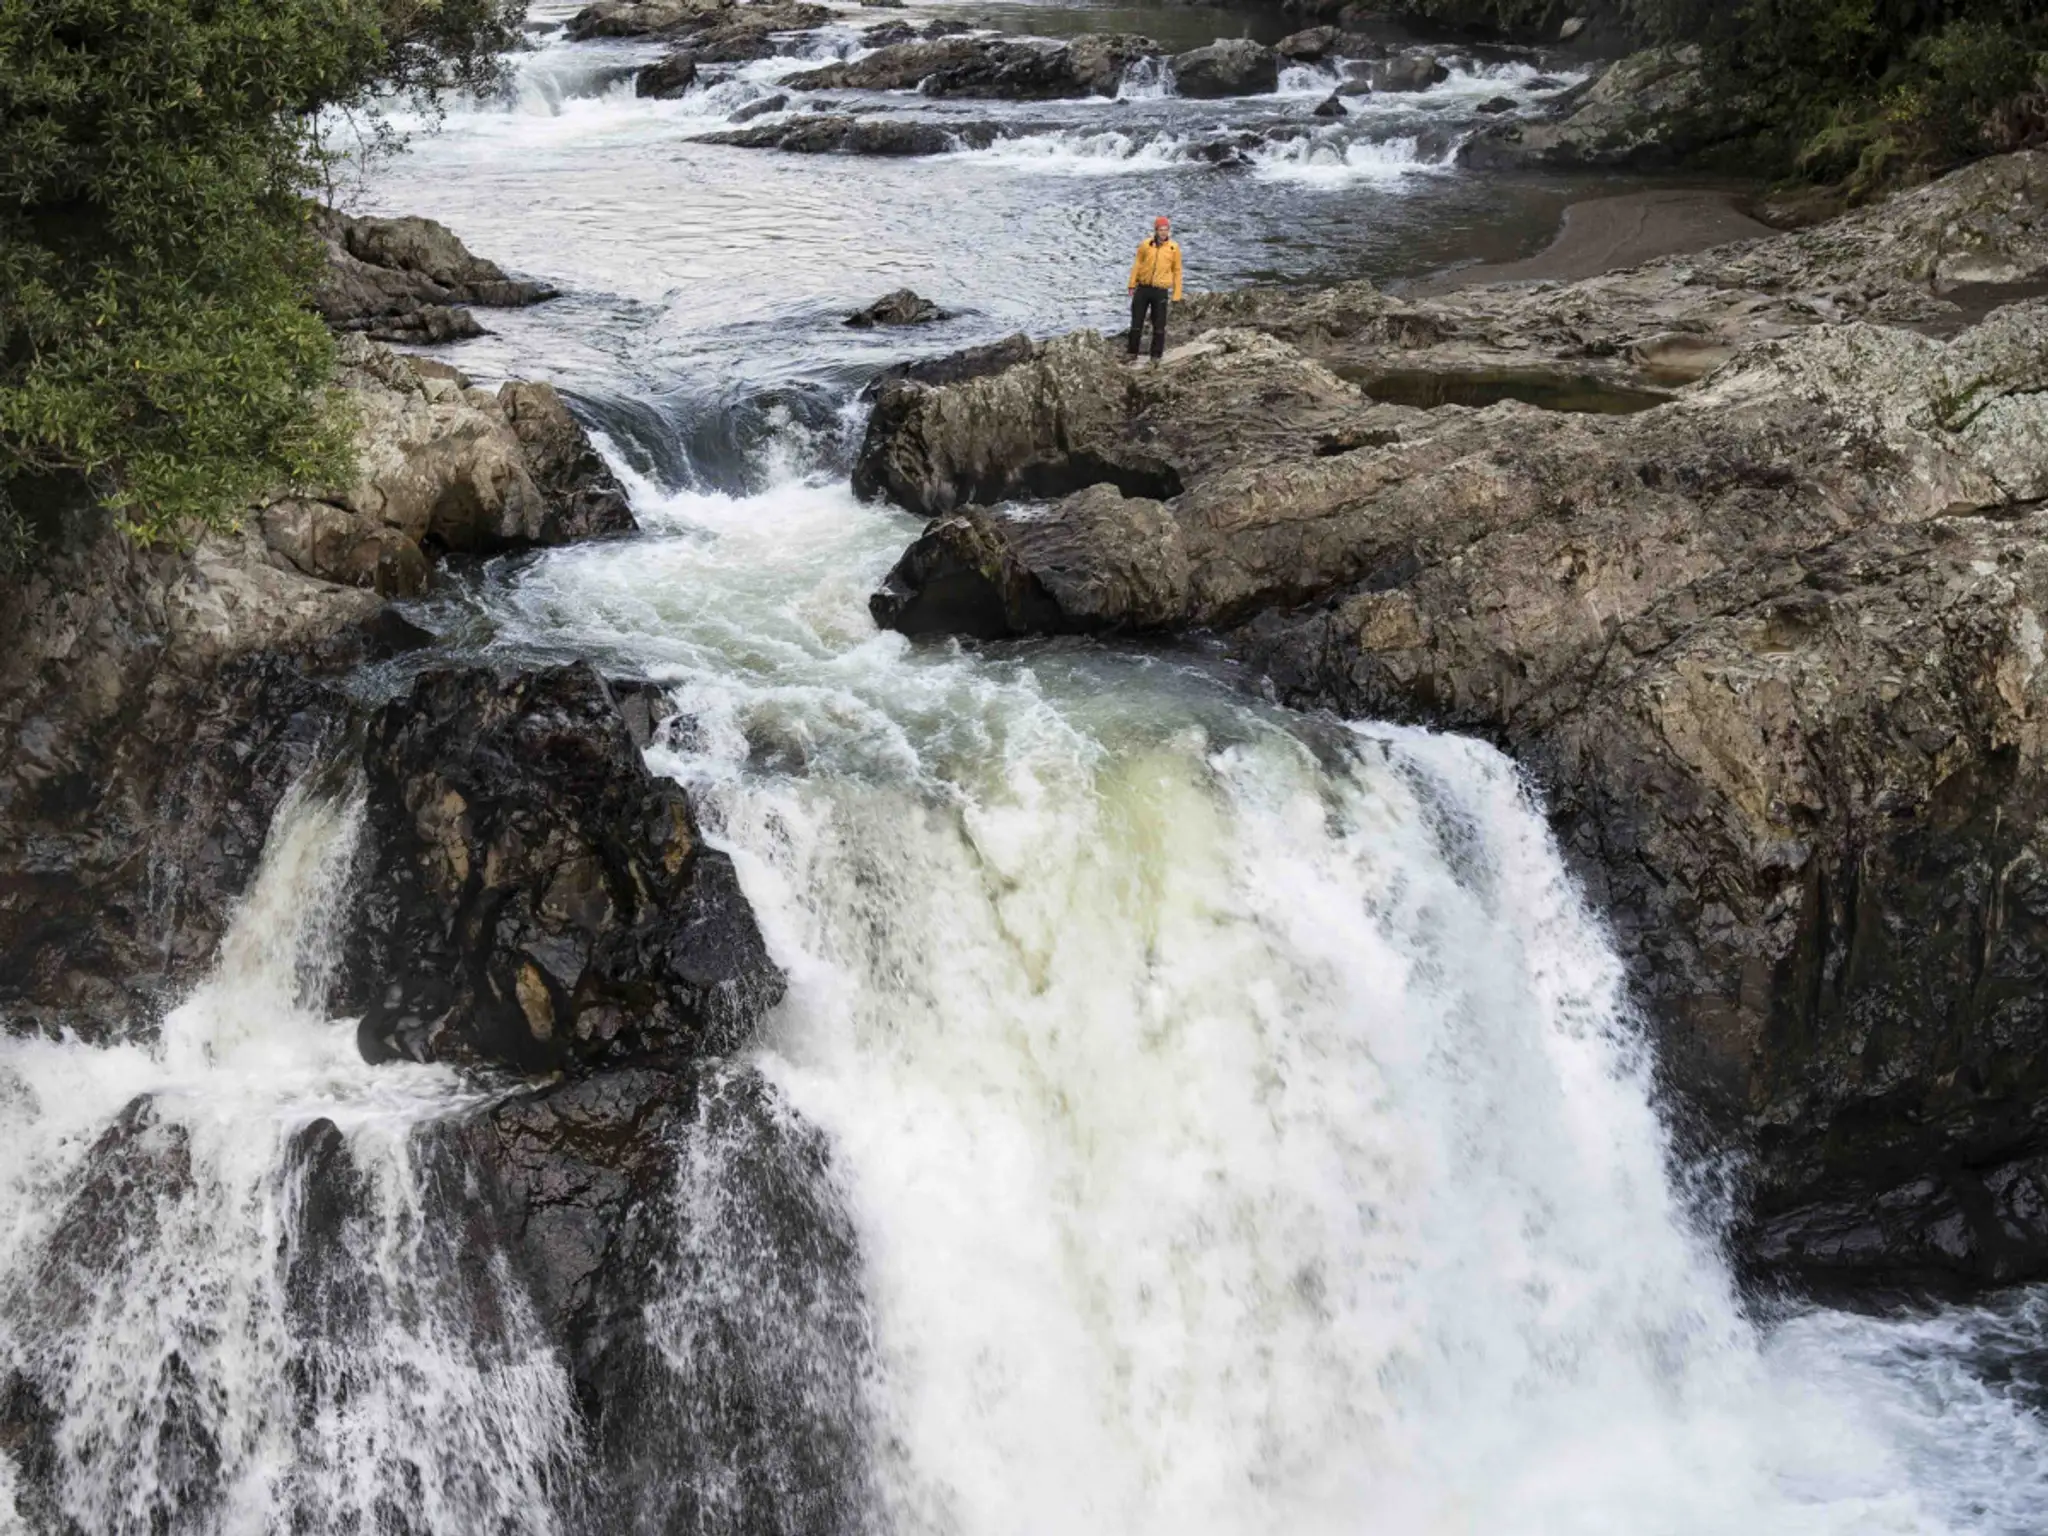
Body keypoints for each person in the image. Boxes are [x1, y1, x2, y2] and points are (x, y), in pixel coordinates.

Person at [1126, 215, 1183, 364]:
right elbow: (1137, 264)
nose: (1163, 232)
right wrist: (1132, 284)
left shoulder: (1173, 248)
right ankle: (1132, 352)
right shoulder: (1145, 245)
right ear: (1156, 230)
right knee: (1136, 322)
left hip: (1160, 290)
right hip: (1143, 288)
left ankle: (1156, 355)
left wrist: (1177, 294)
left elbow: (1177, 271)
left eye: (1166, 230)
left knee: (1159, 325)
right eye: (1160, 230)